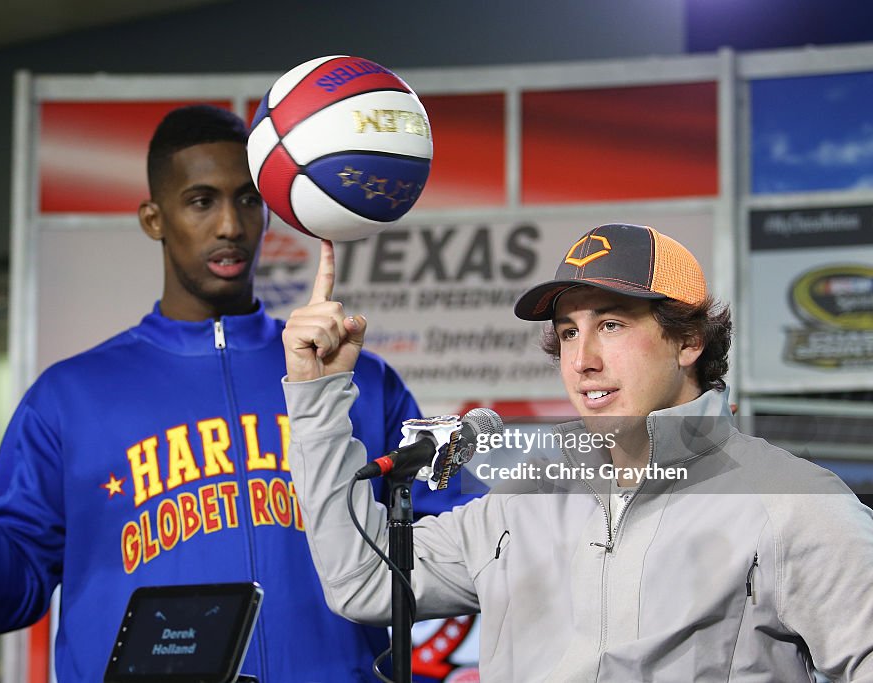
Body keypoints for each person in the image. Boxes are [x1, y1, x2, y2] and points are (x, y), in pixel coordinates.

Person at [0, 105, 472, 682]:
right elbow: (4, 600)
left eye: (247, 198)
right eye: (201, 201)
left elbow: (452, 552)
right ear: (154, 218)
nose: (230, 226)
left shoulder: (350, 378)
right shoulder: (69, 397)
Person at [281, 223, 873, 681]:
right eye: (568, 332)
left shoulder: (792, 502)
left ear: (689, 340)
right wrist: (317, 394)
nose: (582, 358)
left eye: (611, 325)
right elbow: (361, 581)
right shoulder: (526, 497)